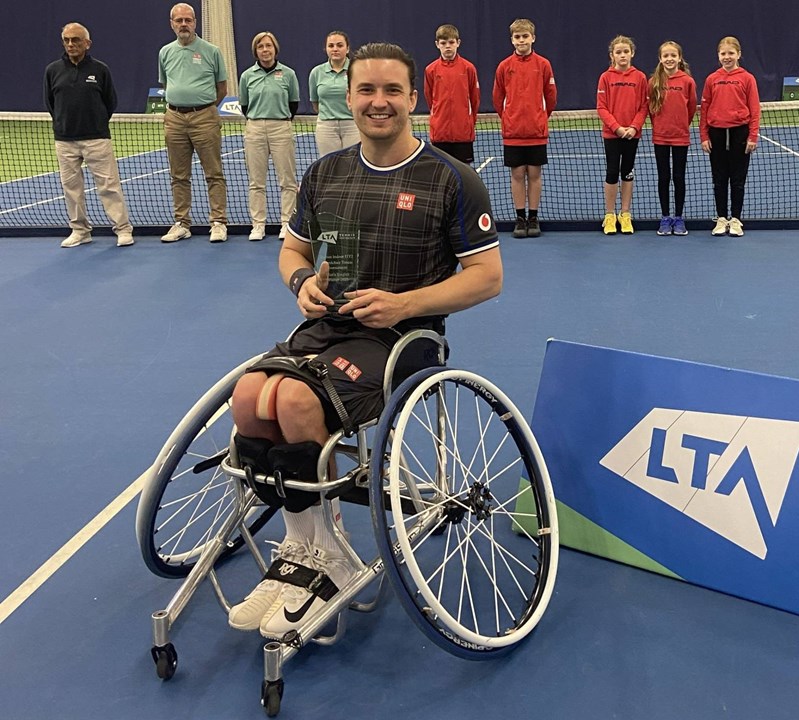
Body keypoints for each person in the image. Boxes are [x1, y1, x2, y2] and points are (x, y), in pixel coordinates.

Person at [226, 42, 502, 640]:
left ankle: (329, 555)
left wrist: (403, 304)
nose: (379, 102)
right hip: (331, 326)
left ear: (412, 98)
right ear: (347, 97)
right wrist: (301, 282)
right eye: (367, 91)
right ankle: (306, 550)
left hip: (405, 338)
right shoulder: (327, 172)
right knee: (248, 396)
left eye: (392, 91)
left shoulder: (453, 180)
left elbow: (488, 277)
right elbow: (293, 251)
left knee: (295, 402)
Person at [43, 22, 134, 248]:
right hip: (65, 141)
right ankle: (80, 230)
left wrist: (97, 123)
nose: (71, 44)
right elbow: (51, 103)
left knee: (109, 186)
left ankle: (123, 229)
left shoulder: (100, 70)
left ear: (87, 43)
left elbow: (109, 101)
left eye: (76, 40)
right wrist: (64, 125)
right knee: (71, 189)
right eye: (67, 40)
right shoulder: (52, 71)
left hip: (97, 139)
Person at [158, 2, 228, 243]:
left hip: (205, 117)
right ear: (172, 24)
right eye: (179, 20)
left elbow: (222, 88)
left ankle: (218, 222)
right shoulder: (165, 52)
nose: (184, 24)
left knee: (214, 173)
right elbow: (166, 84)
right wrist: (180, 104)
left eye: (188, 20)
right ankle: (181, 223)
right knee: (179, 175)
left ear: (195, 22)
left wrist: (203, 107)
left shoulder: (212, 51)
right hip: (174, 119)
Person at [493, 18, 556, 238]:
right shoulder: (504, 67)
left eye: (525, 36)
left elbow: (551, 97)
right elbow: (497, 97)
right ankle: (520, 219)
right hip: (513, 134)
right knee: (517, 174)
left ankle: (533, 217)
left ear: (533, 38)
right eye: (517, 37)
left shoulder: (544, 65)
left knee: (535, 174)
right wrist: (510, 118)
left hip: (536, 133)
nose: (521, 40)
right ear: (512, 40)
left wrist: (539, 118)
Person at [239, 31, 299, 241]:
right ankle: (258, 225)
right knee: (256, 182)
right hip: (254, 128)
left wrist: (277, 120)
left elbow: (293, 104)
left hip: (281, 128)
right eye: (261, 46)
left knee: (288, 181)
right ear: (256, 51)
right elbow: (245, 105)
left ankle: (287, 224)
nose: (265, 50)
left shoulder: (288, 74)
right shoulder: (247, 76)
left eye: (268, 46)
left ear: (275, 49)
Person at [700, 36, 760, 238]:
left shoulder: (747, 78)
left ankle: (735, 219)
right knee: (719, 179)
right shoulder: (711, 79)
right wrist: (704, 136)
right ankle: (721, 218)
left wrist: (752, 136)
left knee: (737, 180)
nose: (727, 57)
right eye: (723, 53)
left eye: (730, 53)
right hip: (716, 134)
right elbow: (705, 109)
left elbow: (754, 109)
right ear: (718, 55)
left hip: (740, 133)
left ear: (738, 54)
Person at [596, 35, 648, 235]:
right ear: (612, 55)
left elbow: (644, 106)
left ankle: (625, 214)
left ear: (632, 53)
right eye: (618, 52)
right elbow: (602, 107)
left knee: (627, 172)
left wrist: (634, 127)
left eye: (626, 51)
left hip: (632, 135)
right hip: (612, 135)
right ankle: (610, 215)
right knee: (611, 173)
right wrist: (616, 128)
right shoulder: (605, 77)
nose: (623, 55)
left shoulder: (640, 77)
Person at [648, 41, 696, 236]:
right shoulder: (653, 82)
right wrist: (660, 126)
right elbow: (651, 110)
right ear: (660, 58)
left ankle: (678, 218)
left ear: (679, 58)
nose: (669, 59)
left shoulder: (687, 81)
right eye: (665, 56)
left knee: (678, 177)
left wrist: (681, 124)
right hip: (660, 137)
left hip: (680, 137)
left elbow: (691, 108)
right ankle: (665, 217)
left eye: (673, 55)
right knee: (663, 177)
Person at [423, 24, 480, 164]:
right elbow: (430, 98)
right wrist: (438, 119)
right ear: (437, 44)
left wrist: (467, 123)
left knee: (464, 173)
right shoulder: (430, 70)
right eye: (443, 43)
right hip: (440, 135)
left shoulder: (468, 68)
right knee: (441, 173)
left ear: (458, 43)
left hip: (463, 134)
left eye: (451, 42)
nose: (447, 46)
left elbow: (475, 99)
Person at [309, 31, 359, 157]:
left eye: (339, 45)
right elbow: (315, 103)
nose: (335, 49)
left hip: (353, 125)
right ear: (326, 49)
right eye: (331, 46)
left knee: (353, 164)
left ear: (347, 49)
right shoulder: (316, 72)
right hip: (326, 127)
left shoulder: (357, 69)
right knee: (329, 166)